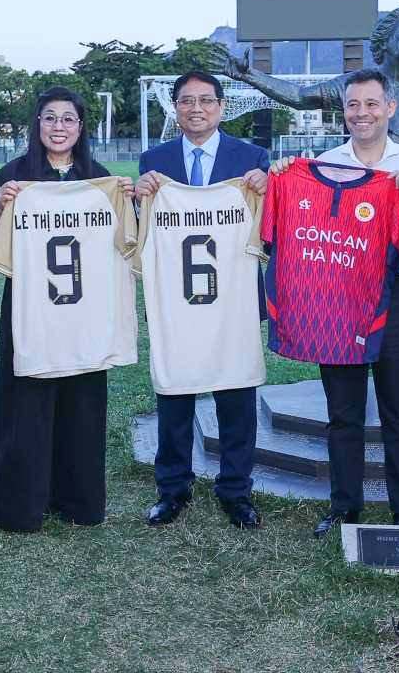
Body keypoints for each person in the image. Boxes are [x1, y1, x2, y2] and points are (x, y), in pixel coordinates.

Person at [269, 68, 399, 536]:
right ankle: (344, 506)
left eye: (371, 104)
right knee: (343, 411)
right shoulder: (327, 162)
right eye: (353, 105)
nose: (361, 113)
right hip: (340, 298)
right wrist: (285, 177)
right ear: (343, 110)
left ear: (390, 107)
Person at [0, 86, 132, 532]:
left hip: (86, 307)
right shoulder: (14, 175)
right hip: (31, 307)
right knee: (25, 403)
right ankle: (21, 505)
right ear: (38, 125)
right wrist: (0, 206)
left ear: (81, 127)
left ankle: (78, 499)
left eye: (68, 119)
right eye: (50, 118)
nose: (59, 127)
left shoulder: (99, 178)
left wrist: (130, 201)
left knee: (81, 404)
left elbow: (125, 238)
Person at [134, 71, 269, 529]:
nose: (197, 108)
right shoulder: (154, 161)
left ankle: (236, 490)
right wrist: (139, 199)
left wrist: (268, 192)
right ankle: (172, 488)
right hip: (176, 298)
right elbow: (144, 230)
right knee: (175, 395)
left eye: (206, 100)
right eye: (187, 100)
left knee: (236, 396)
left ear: (221, 107)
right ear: (174, 107)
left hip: (233, 300)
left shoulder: (252, 159)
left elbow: (270, 230)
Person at [214, 6, 399, 142]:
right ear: (384, 41)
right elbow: (299, 96)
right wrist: (251, 75)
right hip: (360, 198)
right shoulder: (354, 85)